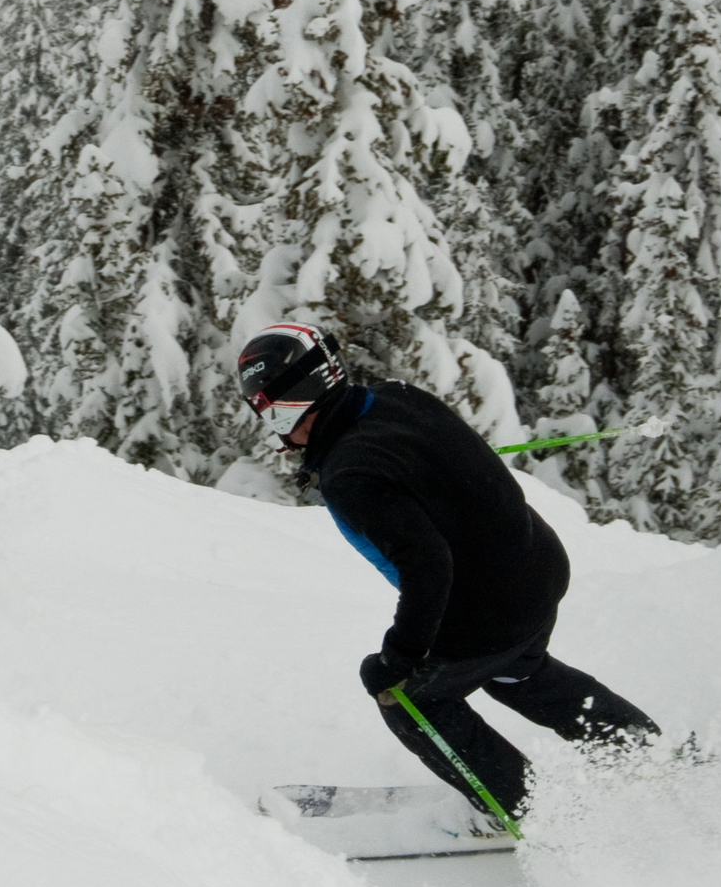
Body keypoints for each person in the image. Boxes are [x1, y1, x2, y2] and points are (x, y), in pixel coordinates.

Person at [238, 324, 659, 822]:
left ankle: (522, 808)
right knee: (514, 670)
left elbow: (428, 567)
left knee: (410, 699)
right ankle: (640, 750)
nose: (267, 420)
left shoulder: (350, 471)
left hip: (488, 601)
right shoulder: (394, 398)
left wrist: (399, 658)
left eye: (263, 406)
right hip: (538, 565)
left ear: (286, 401)